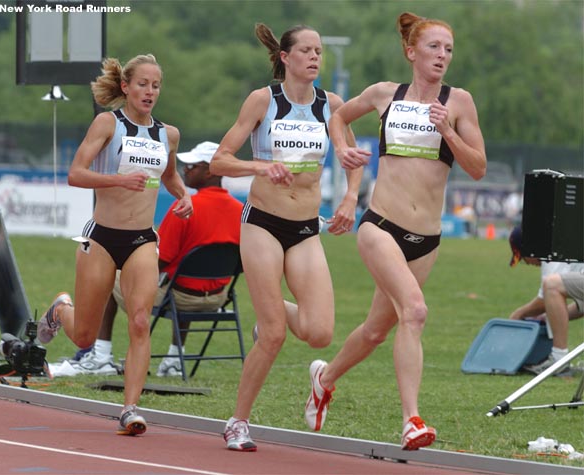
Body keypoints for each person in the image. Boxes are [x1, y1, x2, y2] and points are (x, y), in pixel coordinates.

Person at [304, 12, 487, 451]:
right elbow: (338, 118)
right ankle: (411, 420)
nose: (442, 55)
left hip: (426, 239)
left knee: (375, 331)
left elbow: (477, 167)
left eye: (448, 49)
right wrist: (345, 153)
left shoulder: (458, 102)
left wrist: (447, 131)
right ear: (411, 52)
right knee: (416, 312)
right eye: (433, 47)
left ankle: (323, 379)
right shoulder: (386, 94)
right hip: (380, 225)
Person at [210, 23, 364, 452]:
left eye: (319, 52)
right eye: (307, 51)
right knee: (276, 335)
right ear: (286, 57)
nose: (315, 57)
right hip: (261, 222)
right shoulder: (264, 101)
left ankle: (270, 314)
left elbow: (351, 158)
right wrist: (261, 167)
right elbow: (220, 160)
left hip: (305, 227)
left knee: (319, 333)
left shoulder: (331, 105)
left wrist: (351, 198)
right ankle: (238, 422)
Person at [36, 54, 193, 435]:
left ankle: (130, 409)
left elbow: (169, 175)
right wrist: (118, 181)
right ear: (125, 87)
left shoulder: (167, 135)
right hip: (102, 237)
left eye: (156, 85)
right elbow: (76, 173)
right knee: (86, 336)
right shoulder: (109, 123)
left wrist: (183, 195)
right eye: (142, 84)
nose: (150, 92)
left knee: (140, 321)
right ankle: (60, 309)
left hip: (141, 238)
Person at [71, 142, 243, 378]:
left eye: (192, 166)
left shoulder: (184, 209)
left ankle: (100, 354)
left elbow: (161, 260)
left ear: (211, 171)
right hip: (218, 297)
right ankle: (174, 359)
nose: (185, 170)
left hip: (178, 296)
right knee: (186, 278)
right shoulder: (240, 210)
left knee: (111, 274)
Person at [507, 225, 584, 375]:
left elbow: (544, 301)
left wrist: (518, 314)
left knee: (551, 285)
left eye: (523, 257)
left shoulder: (549, 254)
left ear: (529, 247)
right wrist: (550, 316)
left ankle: (559, 359)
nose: (528, 263)